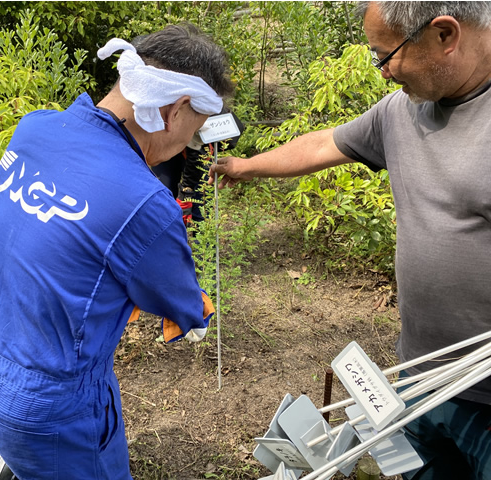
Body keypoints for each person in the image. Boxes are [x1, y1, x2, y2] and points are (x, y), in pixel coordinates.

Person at [210, 2, 491, 479]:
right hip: (421, 372)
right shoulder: (402, 111)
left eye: (387, 56)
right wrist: (245, 166)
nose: (382, 72)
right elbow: (324, 143)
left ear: (445, 35)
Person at [0, 23, 234, 480]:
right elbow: (184, 307)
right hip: (46, 404)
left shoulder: (35, 128)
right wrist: (193, 314)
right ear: (177, 108)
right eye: (194, 135)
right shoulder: (145, 204)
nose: (186, 148)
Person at [152, 109, 244, 225]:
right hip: (167, 146)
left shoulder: (194, 111)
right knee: (163, 198)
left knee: (201, 203)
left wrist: (186, 193)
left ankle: (203, 238)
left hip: (198, 148)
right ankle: (170, 235)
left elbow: (195, 159)